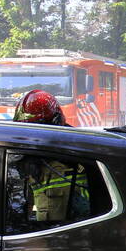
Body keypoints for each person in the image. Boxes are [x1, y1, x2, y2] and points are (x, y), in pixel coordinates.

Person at [12, 90, 88, 221]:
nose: (31, 138)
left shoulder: (81, 153)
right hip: (48, 235)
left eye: (37, 129)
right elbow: (24, 205)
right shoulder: (29, 162)